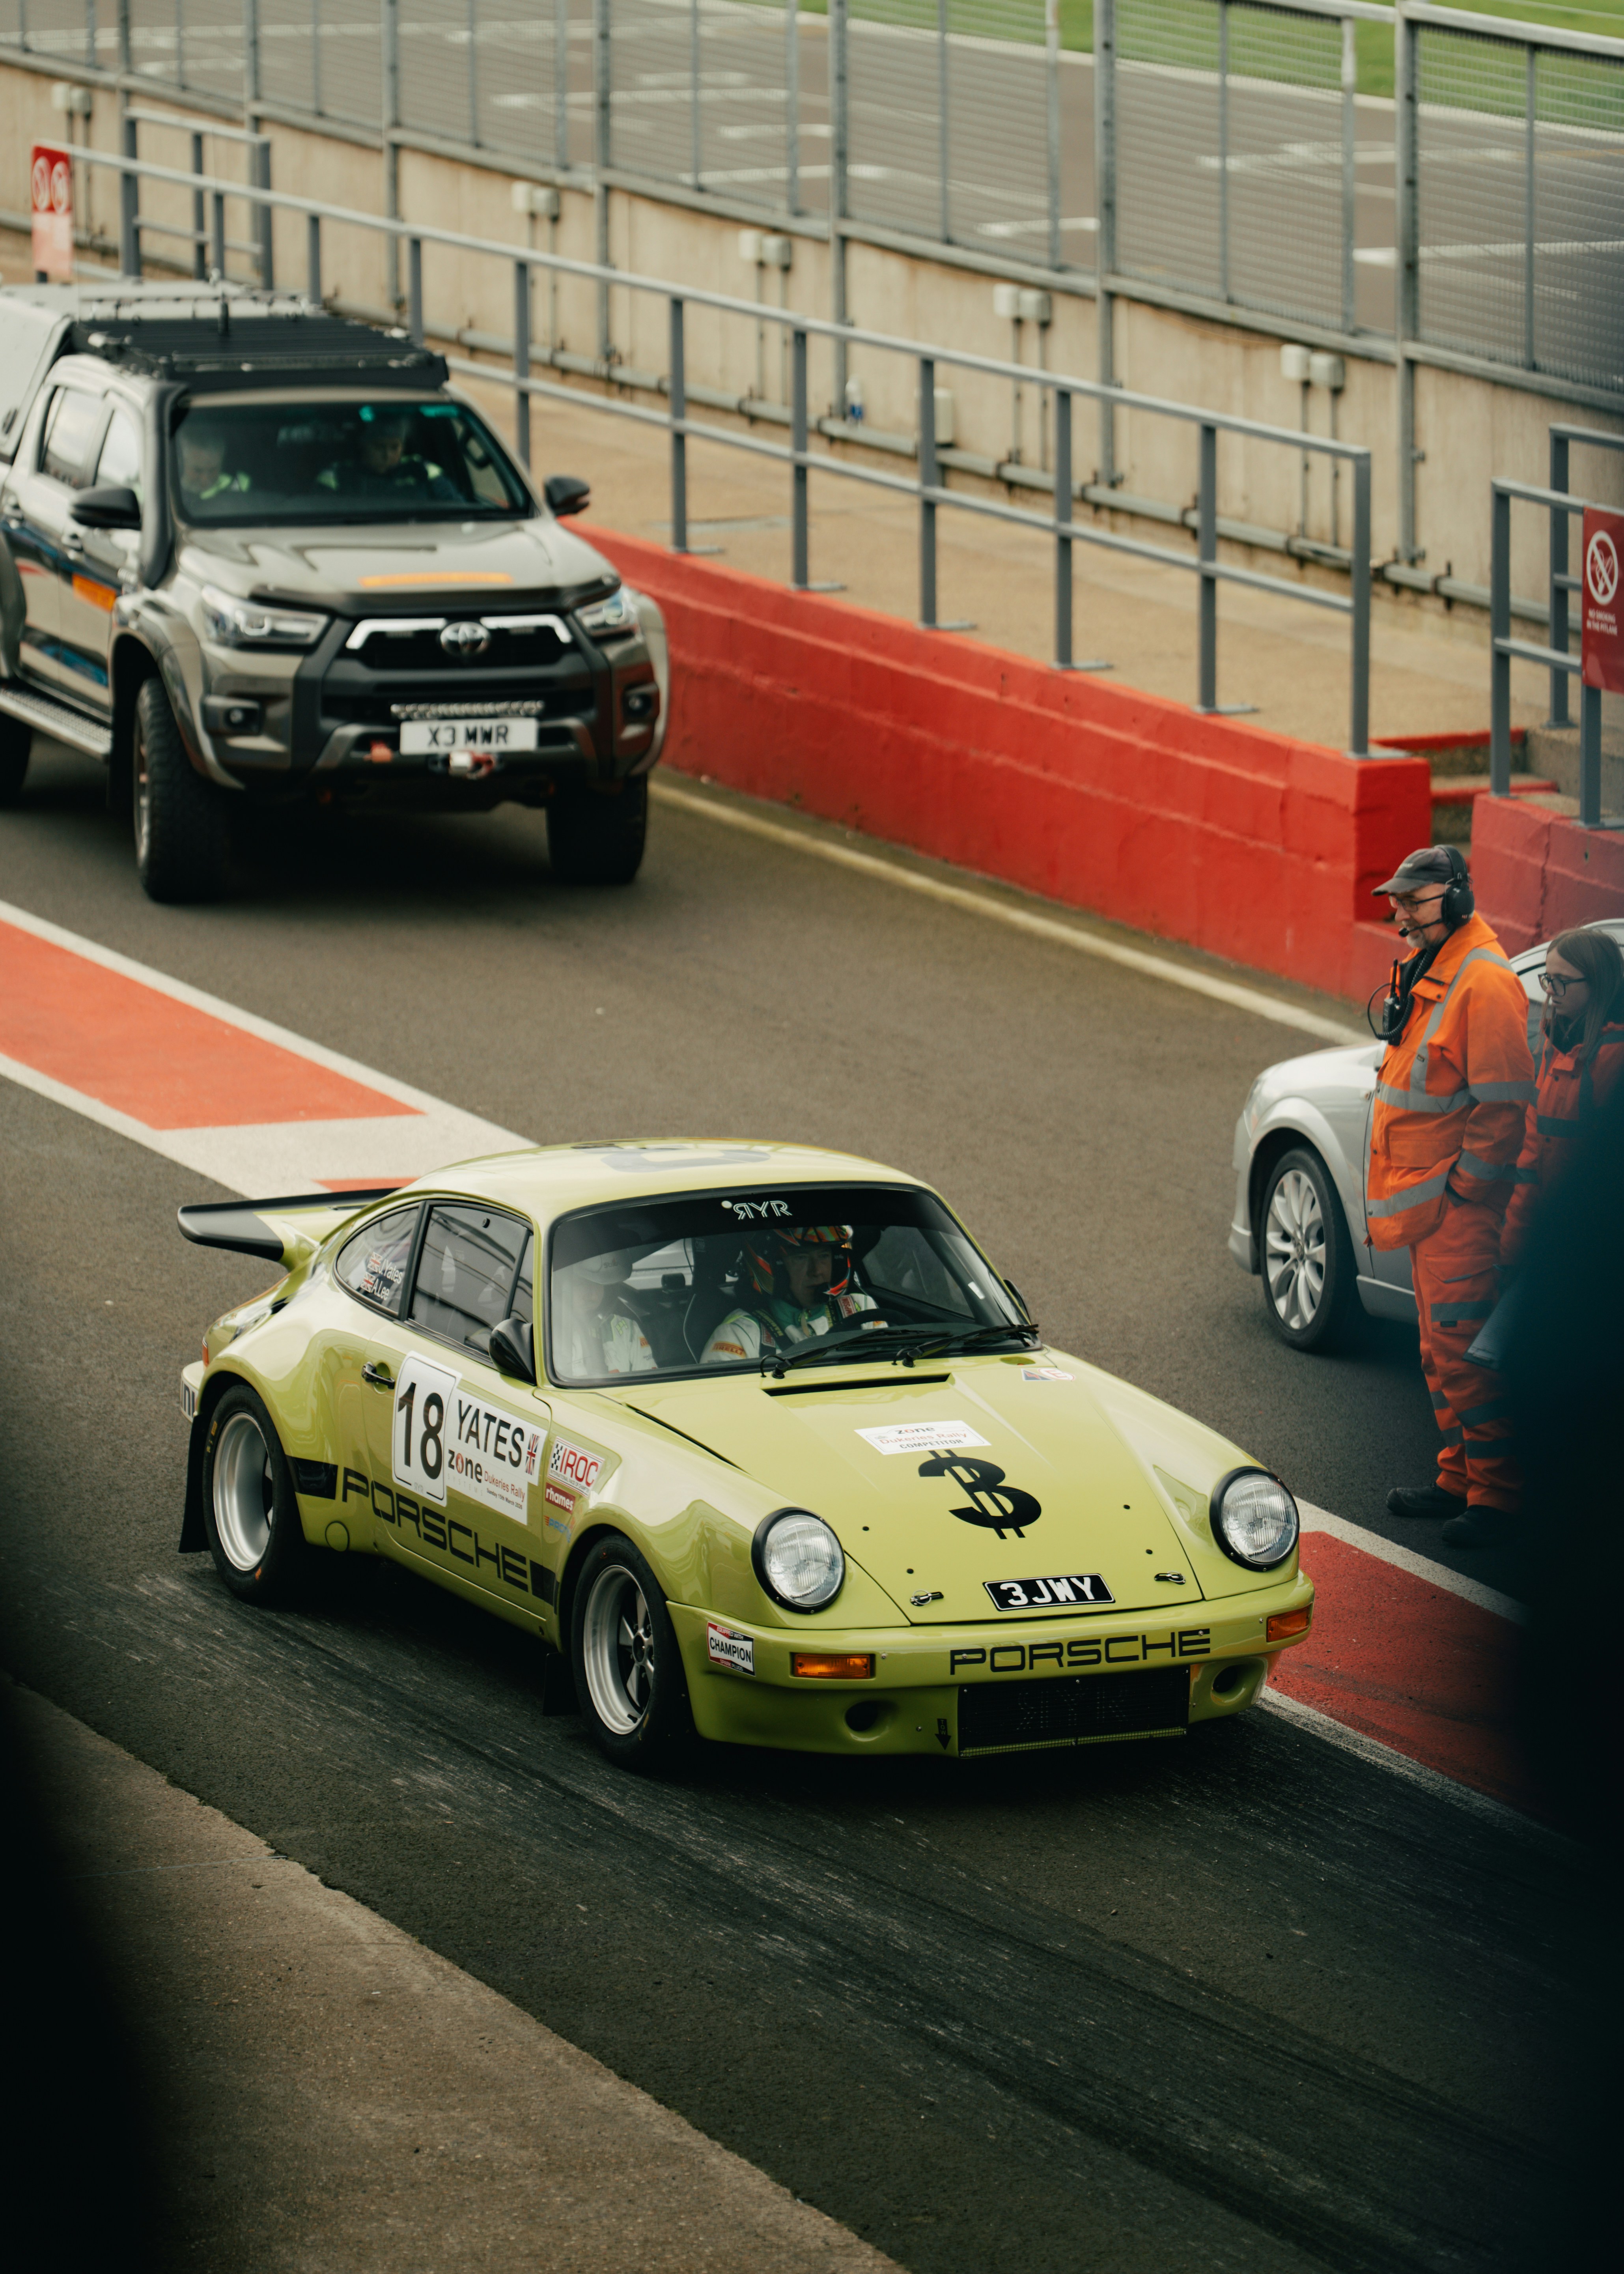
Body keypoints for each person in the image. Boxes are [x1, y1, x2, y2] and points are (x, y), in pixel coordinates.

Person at [1368, 845, 1535, 1549]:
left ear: (1457, 900)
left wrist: (1465, 1191)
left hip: (1454, 1210)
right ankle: (1456, 1478)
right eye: (1397, 900)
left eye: (1414, 899)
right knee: (1438, 1351)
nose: (1399, 912)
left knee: (1465, 1352)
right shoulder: (1432, 968)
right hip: (1426, 1205)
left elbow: (1503, 1105)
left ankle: (1497, 1497)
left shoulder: (1484, 982)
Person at [1500, 927, 1624, 1269]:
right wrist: (1512, 1250)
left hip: (1594, 1254)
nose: (1551, 992)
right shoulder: (1556, 1043)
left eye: (1562, 981)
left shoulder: (1615, 1057)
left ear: (1598, 981)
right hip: (1552, 1245)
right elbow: (1532, 1156)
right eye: (1547, 979)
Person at [702, 1226, 877, 1364]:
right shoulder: (739, 1334)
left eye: (824, 1256)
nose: (816, 1271)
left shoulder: (860, 1309)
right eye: (801, 1258)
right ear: (776, 1268)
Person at [317, 409, 461, 504]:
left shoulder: (423, 470)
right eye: (380, 447)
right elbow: (320, 513)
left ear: (403, 448)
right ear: (364, 446)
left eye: (394, 448)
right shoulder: (336, 474)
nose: (387, 455)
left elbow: (455, 505)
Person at [175, 424, 249, 510]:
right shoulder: (166, 493)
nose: (205, 480)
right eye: (198, 471)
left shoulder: (240, 485)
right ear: (180, 463)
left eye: (213, 470)